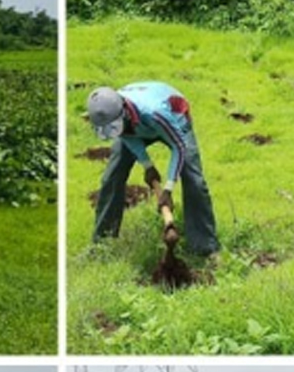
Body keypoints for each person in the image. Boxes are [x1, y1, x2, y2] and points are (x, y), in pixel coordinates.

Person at [87, 82, 219, 257]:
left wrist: (168, 189)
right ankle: (102, 244)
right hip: (136, 125)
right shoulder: (112, 116)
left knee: (194, 179)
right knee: (111, 177)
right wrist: (147, 165)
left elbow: (178, 146)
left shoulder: (155, 113)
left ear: (124, 112)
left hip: (174, 120)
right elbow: (125, 135)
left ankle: (205, 248)